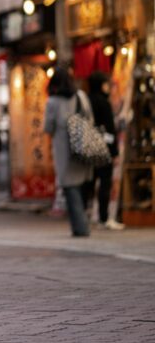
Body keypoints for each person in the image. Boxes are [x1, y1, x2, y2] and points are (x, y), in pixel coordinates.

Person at [43, 66, 93, 237]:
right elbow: (90, 119)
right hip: (83, 146)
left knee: (71, 188)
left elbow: (48, 127)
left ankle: (80, 227)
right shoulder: (81, 96)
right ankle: (82, 223)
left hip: (64, 150)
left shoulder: (52, 101)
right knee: (81, 185)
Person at [87, 71, 124, 230]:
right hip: (104, 148)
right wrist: (114, 152)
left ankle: (86, 214)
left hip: (89, 147)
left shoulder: (85, 101)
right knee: (105, 183)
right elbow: (109, 129)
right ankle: (104, 217)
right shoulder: (103, 102)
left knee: (89, 181)